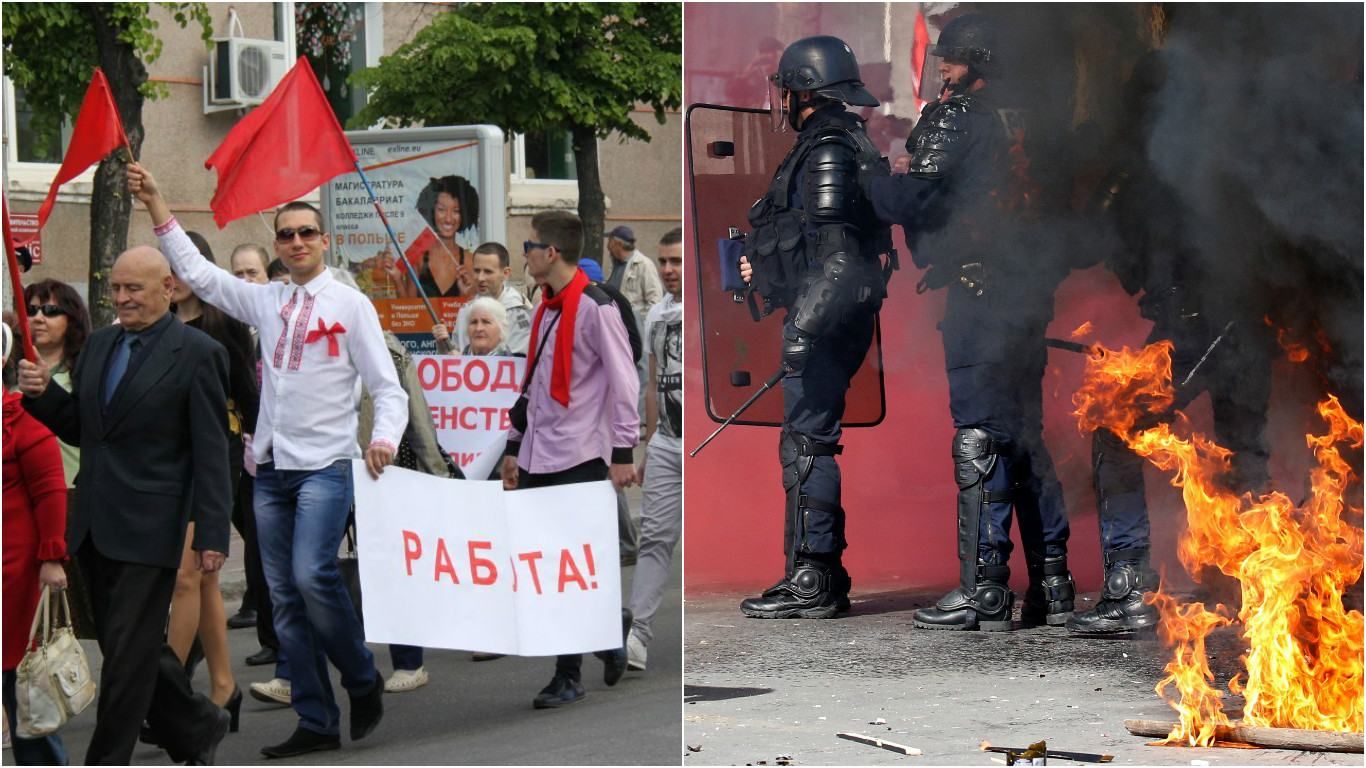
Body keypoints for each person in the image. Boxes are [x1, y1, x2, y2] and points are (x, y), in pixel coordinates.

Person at [128, 162, 407, 758]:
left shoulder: (351, 305)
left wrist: (383, 437)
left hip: (328, 465)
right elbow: (199, 273)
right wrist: (157, 203)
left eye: (307, 232)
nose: (297, 242)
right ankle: (315, 717)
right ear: (279, 245)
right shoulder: (268, 301)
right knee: (282, 597)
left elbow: (389, 388)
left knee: (311, 576)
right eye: (287, 234)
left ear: (325, 240)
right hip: (271, 468)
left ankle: (361, 678)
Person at [867, 14, 1075, 631]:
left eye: (951, 59)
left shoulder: (957, 117)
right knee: (1025, 435)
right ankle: (1054, 584)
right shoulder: (1036, 124)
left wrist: (873, 178)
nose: (943, 70)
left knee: (981, 435)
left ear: (978, 60)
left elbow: (911, 199)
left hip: (981, 296)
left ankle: (984, 589)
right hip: (1028, 295)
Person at [1068, 52, 1273, 636]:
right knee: (1243, 447)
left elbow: (1104, 240)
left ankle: (1129, 586)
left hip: (1205, 327)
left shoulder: (1164, 167)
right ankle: (1256, 584)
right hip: (1239, 326)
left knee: (1118, 429)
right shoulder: (1230, 154)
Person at [17, 246, 233, 765]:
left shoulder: (198, 353)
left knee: (124, 662)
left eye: (134, 288)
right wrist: (44, 394)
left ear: (168, 287)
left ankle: (106, 759)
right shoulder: (100, 346)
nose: (122, 298)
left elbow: (212, 452)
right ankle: (197, 724)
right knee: (127, 650)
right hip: (93, 522)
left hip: (153, 527)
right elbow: (84, 430)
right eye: (116, 288)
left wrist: (211, 535)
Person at [734, 35, 891, 619]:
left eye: (787, 89)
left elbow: (838, 257)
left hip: (826, 317)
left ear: (805, 90)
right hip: (825, 311)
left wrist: (801, 328)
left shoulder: (828, 148)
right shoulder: (833, 141)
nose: (782, 99)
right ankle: (817, 571)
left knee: (807, 444)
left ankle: (813, 576)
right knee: (807, 440)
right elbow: (807, 240)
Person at [500, 210, 639, 708]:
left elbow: (625, 382)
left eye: (529, 246)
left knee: (566, 567)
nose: (525, 255)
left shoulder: (596, 306)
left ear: (550, 252)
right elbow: (533, 383)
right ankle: (607, 628)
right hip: (540, 452)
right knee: (542, 565)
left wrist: (623, 452)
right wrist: (514, 447)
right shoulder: (548, 306)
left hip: (581, 453)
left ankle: (568, 673)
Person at [160, 233, 257, 727]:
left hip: (218, 456)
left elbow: (249, 395)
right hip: (169, 463)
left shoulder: (225, 325)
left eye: (179, 268)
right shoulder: (154, 328)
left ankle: (168, 692)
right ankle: (224, 685)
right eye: (165, 269)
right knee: (206, 579)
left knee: (186, 577)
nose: (172, 280)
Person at [2, 322, 70, 766]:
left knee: (23, 690)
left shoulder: (21, 422)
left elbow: (50, 490)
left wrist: (51, 558)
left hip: (13, 570)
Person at [20, 279, 97, 639]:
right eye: (32, 309)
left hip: (69, 495)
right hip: (19, 500)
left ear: (72, 319)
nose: (39, 317)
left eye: (51, 311)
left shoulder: (84, 370)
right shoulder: (9, 369)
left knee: (76, 609)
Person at [626, 228, 684, 671]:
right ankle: (638, 635)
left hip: (702, 442)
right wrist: (648, 444)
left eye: (677, 262)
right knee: (654, 539)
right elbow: (652, 380)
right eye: (663, 262)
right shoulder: (656, 315)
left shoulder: (705, 309)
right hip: (666, 441)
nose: (668, 270)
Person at [228, 243, 283, 667]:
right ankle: (270, 631)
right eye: (238, 274)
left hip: (288, 456)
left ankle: (288, 638)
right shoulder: (231, 327)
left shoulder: (275, 324)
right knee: (257, 548)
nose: (245, 281)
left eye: (252, 273)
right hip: (248, 453)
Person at [434, 242, 533, 355]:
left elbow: (518, 361)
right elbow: (455, 358)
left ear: (506, 273)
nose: (480, 278)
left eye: (488, 272)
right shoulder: (466, 310)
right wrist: (443, 348)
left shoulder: (519, 311)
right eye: (477, 271)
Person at [393, 175, 481, 299]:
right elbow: (409, 310)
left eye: (456, 211)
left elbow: (472, 312)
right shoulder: (418, 259)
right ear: (432, 212)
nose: (448, 218)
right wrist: (397, 279)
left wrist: (465, 294)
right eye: (441, 210)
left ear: (464, 215)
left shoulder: (470, 262)